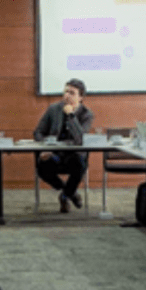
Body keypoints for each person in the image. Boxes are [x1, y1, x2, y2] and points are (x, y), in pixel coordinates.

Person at [33, 79, 93, 213]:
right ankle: (70, 192)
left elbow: (80, 139)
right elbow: (38, 132)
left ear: (81, 97)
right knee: (42, 167)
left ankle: (65, 196)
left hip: (74, 156)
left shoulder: (86, 114)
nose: (67, 95)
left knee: (80, 164)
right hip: (54, 154)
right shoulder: (53, 109)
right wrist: (45, 147)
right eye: (66, 91)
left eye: (72, 93)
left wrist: (71, 115)